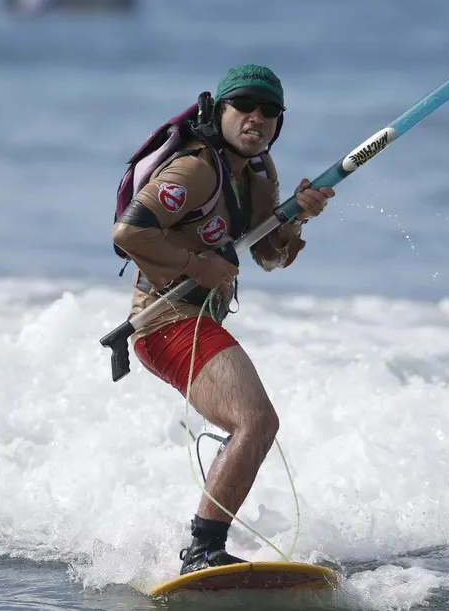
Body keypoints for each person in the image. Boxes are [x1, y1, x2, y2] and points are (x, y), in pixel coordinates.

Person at [111, 65, 335, 574]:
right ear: (219, 111)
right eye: (244, 105)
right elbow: (127, 233)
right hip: (162, 320)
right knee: (256, 421)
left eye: (269, 110)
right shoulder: (194, 169)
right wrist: (196, 265)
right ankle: (202, 553)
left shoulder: (259, 170)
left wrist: (297, 217)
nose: (257, 117)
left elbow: (268, 256)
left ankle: (205, 548)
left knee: (251, 425)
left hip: (199, 320)